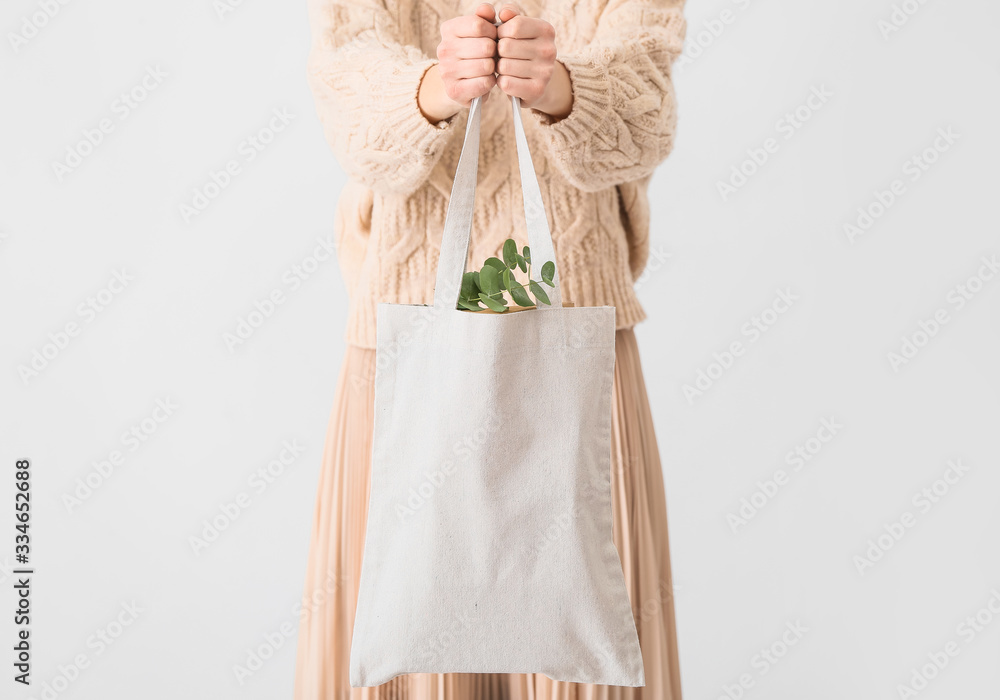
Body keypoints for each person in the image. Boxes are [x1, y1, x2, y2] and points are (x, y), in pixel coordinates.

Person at [293, 0, 687, 698]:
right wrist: (434, 86)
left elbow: (647, 115)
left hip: (575, 344)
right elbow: (349, 111)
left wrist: (564, 87)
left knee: (578, 646)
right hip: (407, 345)